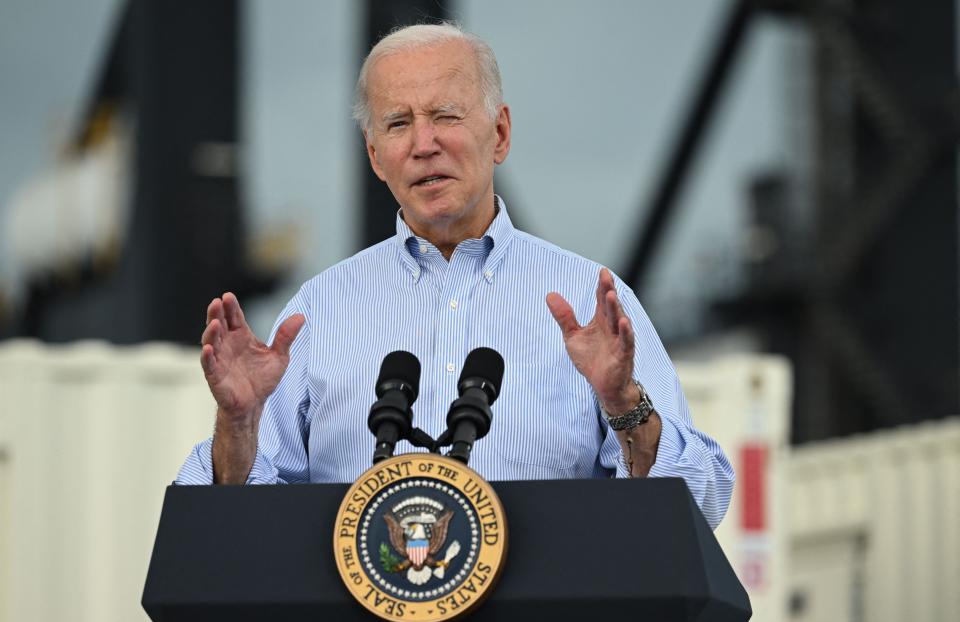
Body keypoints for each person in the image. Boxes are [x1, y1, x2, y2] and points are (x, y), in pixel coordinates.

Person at [176, 22, 734, 529]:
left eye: (445, 115)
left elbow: (702, 502)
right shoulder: (317, 312)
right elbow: (220, 520)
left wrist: (624, 404)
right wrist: (240, 422)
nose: (424, 144)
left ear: (500, 132)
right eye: (398, 124)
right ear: (375, 156)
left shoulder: (593, 303)